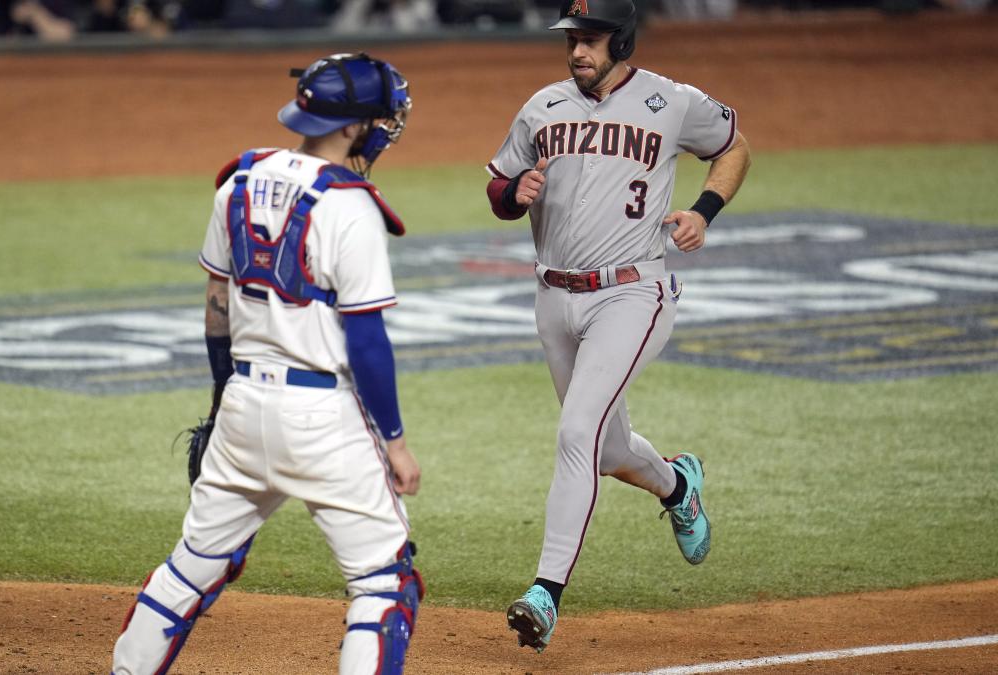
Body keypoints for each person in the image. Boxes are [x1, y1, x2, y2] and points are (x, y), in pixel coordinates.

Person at [111, 52, 424, 675]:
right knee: (386, 584)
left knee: (192, 566)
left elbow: (216, 309)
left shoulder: (238, 182)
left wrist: (222, 401)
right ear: (351, 127)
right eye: (378, 119)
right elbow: (366, 341)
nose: (385, 128)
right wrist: (394, 441)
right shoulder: (351, 207)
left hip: (242, 408)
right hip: (320, 419)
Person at [484, 0, 751, 654]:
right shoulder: (542, 107)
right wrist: (512, 195)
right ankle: (678, 484)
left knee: (578, 429)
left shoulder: (671, 101)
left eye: (591, 40)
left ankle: (545, 592)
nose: (578, 51)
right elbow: (497, 184)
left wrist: (705, 210)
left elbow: (734, 146)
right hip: (554, 297)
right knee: (602, 450)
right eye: (573, 39)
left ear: (622, 38)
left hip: (634, 294)